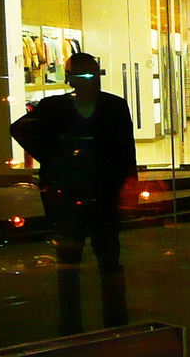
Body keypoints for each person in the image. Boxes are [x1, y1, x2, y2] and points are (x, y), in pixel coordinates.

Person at [11, 52, 138, 334]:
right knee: (72, 263)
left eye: (92, 76)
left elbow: (126, 148)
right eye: (83, 77)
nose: (88, 83)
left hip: (102, 194)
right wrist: (53, 158)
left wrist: (128, 180)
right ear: (71, 80)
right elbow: (19, 129)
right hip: (69, 196)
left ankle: (110, 320)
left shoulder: (112, 106)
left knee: (106, 260)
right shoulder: (56, 107)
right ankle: (74, 323)